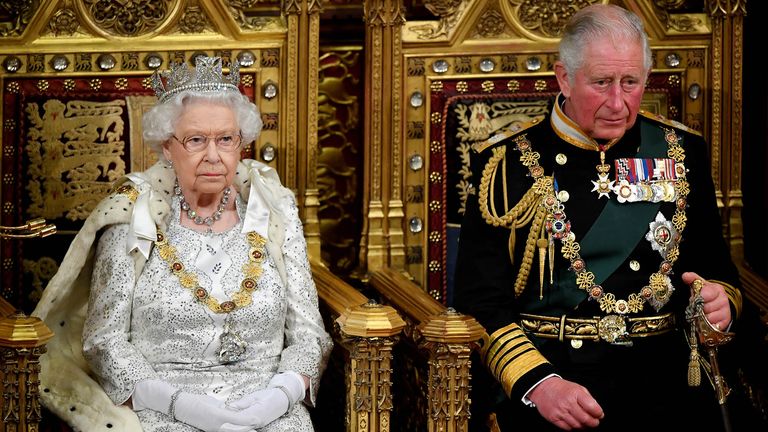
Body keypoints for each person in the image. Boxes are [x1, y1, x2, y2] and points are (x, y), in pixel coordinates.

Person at [452, 5, 747, 431]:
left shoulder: (681, 151)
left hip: (665, 381)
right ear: (564, 78)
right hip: (557, 379)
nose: (617, 102)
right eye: (601, 82)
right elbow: (480, 301)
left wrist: (719, 301)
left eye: (630, 83)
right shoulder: (505, 163)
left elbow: (717, 270)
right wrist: (539, 384)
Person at [32, 56, 333, 432]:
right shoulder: (134, 215)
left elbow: (309, 332)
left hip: (272, 411)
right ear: (166, 148)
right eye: (195, 140)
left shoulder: (273, 210)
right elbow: (104, 340)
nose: (213, 155)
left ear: (241, 144)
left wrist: (280, 396)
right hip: (163, 412)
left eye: (226, 139)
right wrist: (181, 406)